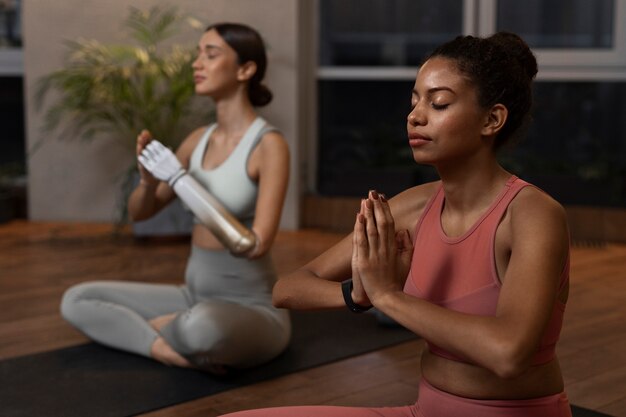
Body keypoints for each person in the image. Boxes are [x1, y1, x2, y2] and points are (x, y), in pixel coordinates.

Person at [222, 32, 573, 416]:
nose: (415, 116)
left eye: (438, 103)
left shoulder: (532, 215)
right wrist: (359, 294)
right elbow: (288, 289)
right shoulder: (414, 206)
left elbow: (508, 354)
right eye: (415, 101)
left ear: (492, 119)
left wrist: (389, 296)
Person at [60, 23, 291, 373]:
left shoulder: (268, 145)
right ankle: (165, 349)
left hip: (251, 307)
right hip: (192, 295)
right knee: (77, 299)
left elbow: (254, 244)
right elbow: (141, 213)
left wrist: (180, 178)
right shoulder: (196, 140)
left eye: (210, 55)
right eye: (198, 54)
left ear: (246, 69)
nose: (197, 63)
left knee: (204, 327)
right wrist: (150, 182)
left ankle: (163, 330)